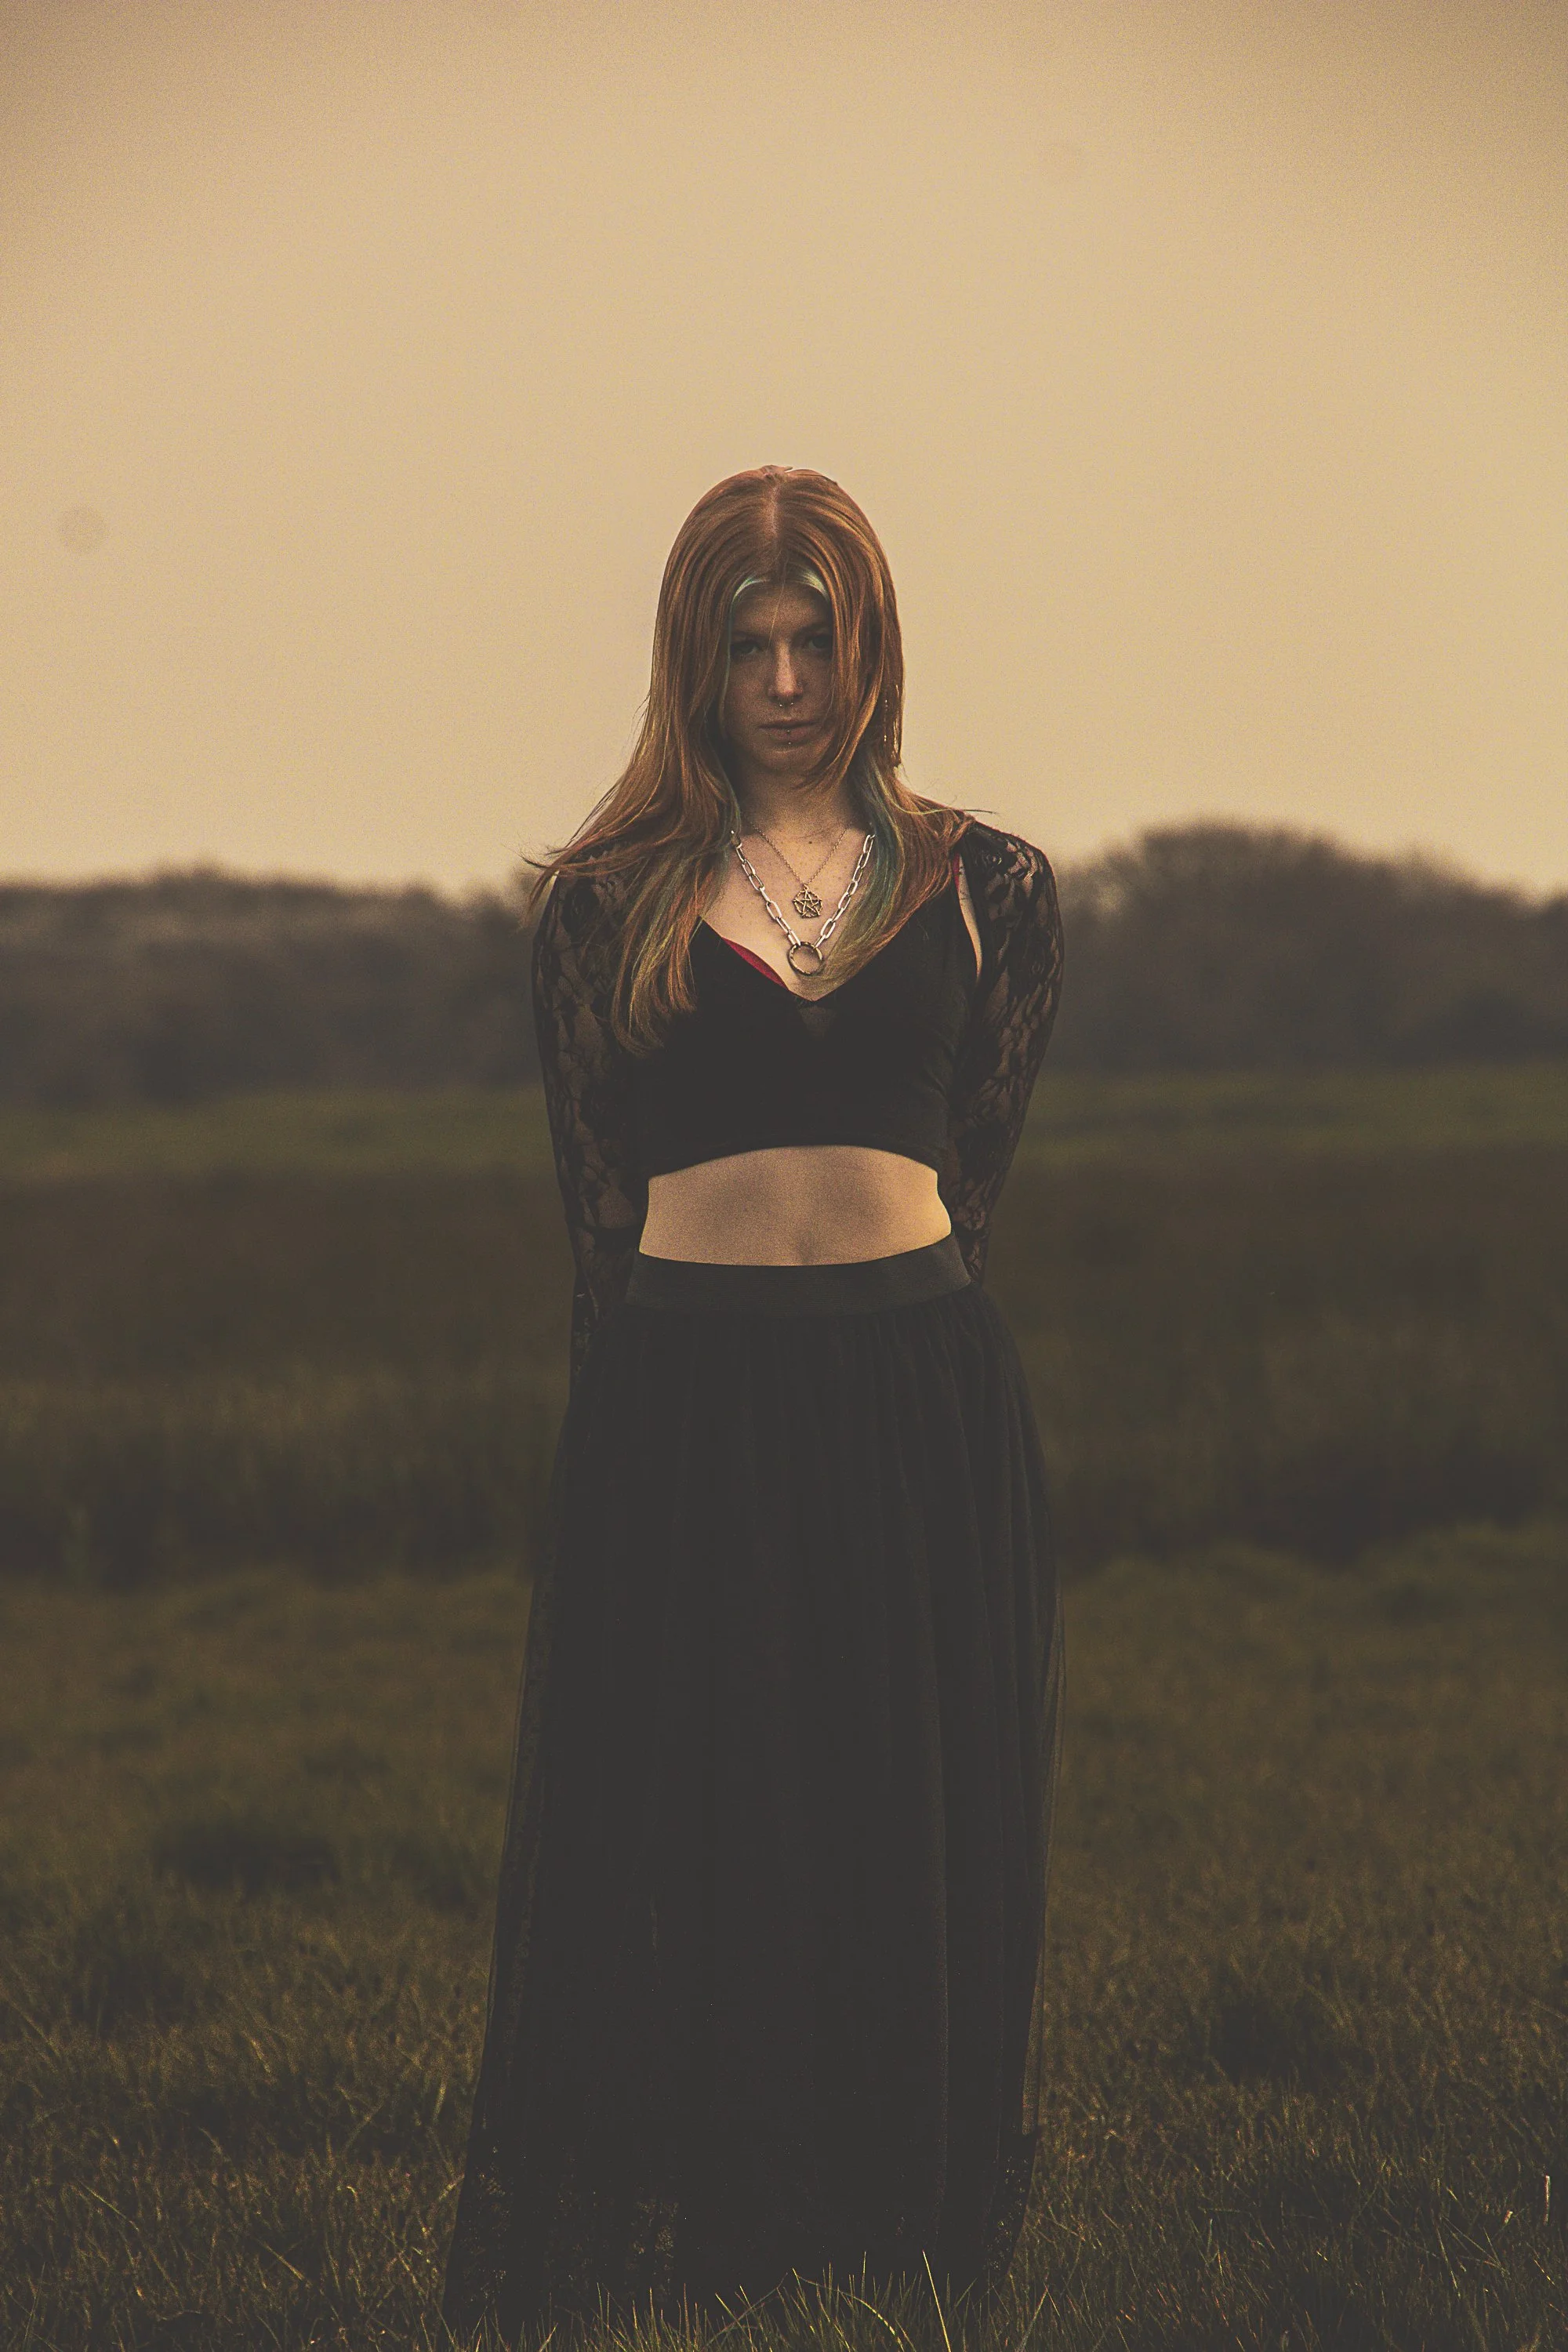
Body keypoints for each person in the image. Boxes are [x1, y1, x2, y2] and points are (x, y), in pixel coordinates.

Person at [441, 466, 1065, 2347]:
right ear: (695, 659)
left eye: (819, 636)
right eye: (749, 642)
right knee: (705, 1802)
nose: (786, 677)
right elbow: (593, 1205)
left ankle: (901, 2214)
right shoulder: (603, 906)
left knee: (907, 1801)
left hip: (914, 1388)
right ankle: (709, 2211)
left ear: (872, 644)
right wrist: (618, 1449)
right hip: (684, 1398)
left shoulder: (991, 886)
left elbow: (977, 1160)